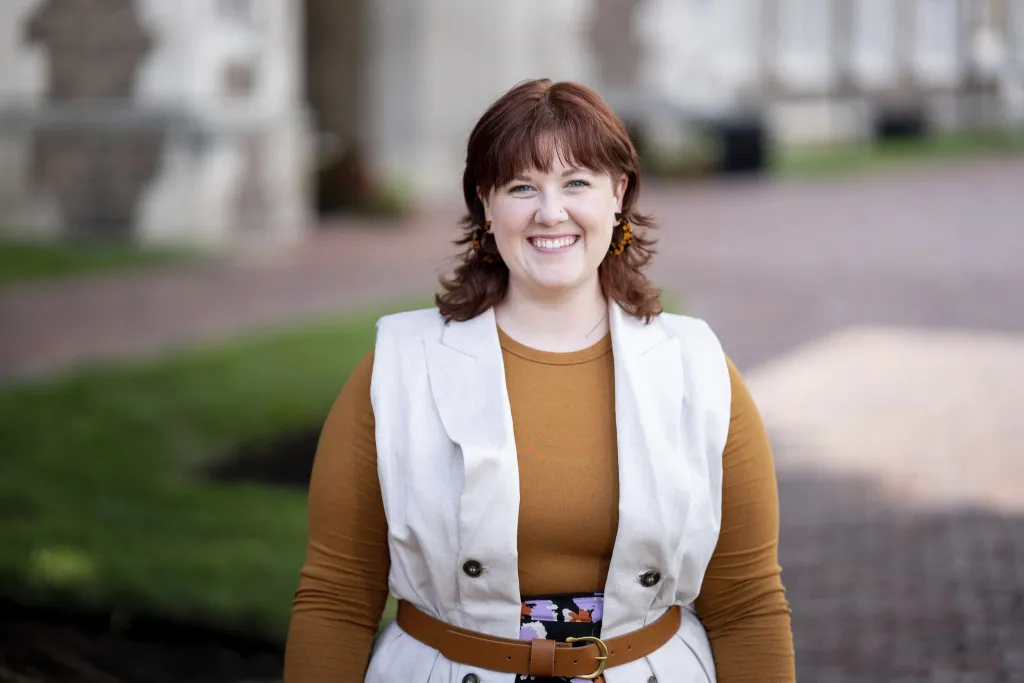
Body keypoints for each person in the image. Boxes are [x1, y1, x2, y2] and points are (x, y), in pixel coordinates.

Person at [284, 79, 795, 682]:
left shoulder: (697, 369)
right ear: (486, 203)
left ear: (619, 193)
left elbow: (746, 604)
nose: (551, 212)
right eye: (522, 187)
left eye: (577, 183)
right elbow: (337, 599)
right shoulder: (399, 365)